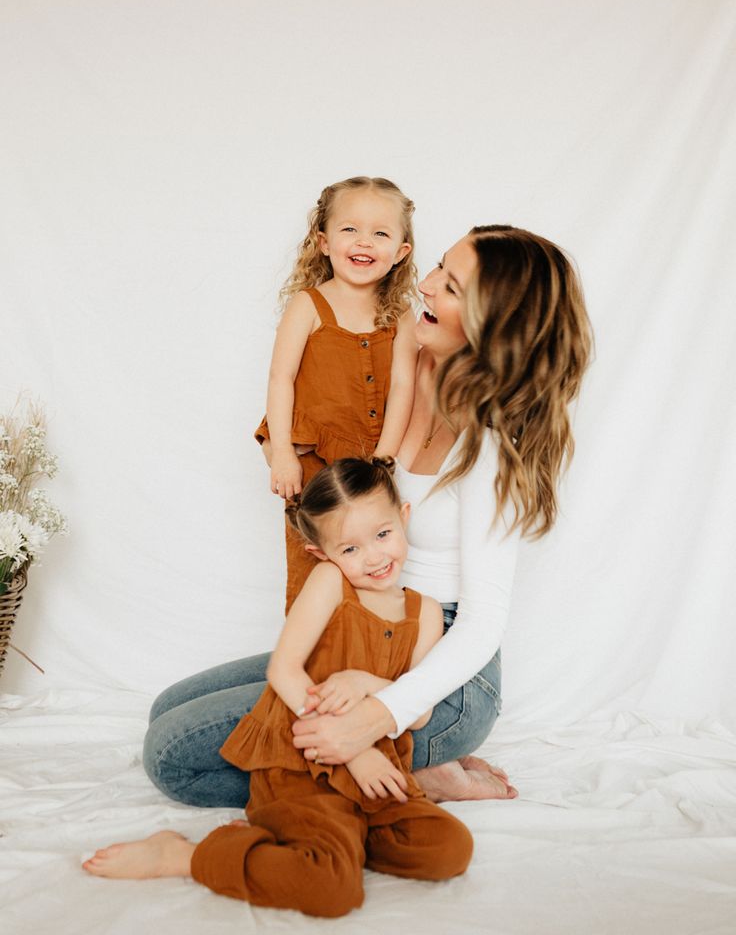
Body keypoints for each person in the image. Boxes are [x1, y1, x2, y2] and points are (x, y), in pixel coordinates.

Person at [142, 224, 592, 805]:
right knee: (167, 708)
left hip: (445, 671)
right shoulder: (418, 364)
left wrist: (380, 714)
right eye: (437, 268)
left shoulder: (493, 447)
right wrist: (281, 446)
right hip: (368, 631)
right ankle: (418, 765)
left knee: (170, 756)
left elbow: (484, 622)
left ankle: (414, 757)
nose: (424, 286)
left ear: (492, 322)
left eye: (450, 286)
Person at [83, 459, 473, 918]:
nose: (373, 557)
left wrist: (364, 681)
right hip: (304, 767)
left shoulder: (425, 612)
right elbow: (284, 671)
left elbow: (420, 712)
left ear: (404, 517)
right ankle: (185, 856)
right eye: (350, 548)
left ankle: (340, 839)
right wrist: (353, 751)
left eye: (383, 534)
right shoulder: (330, 584)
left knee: (451, 849)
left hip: (380, 772)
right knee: (331, 891)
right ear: (322, 553)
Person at [255, 174, 418, 612]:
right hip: (313, 465)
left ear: (401, 252)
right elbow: (280, 379)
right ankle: (306, 659)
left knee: (372, 567)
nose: (364, 241)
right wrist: (285, 453)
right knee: (314, 566)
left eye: (380, 233)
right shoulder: (308, 304)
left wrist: (384, 458)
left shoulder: (401, 315)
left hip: (371, 464)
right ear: (323, 241)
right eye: (350, 229)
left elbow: (404, 386)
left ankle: (361, 660)